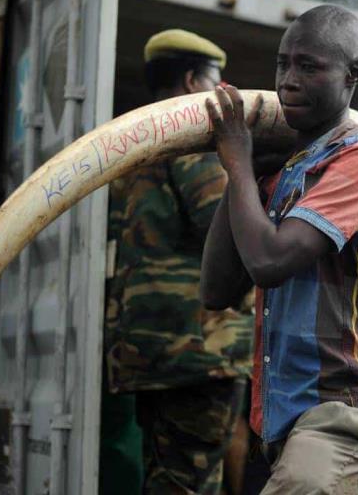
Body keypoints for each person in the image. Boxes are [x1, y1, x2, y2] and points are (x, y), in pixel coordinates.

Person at [200, 4, 358, 494]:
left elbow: (270, 262)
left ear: (353, 74)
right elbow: (216, 289)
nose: (288, 81)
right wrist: (243, 175)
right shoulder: (281, 169)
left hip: (342, 408)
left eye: (309, 67)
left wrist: (239, 164)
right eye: (282, 64)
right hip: (278, 414)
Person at [101, 29, 253, 495]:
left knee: (165, 479)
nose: (221, 92)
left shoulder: (135, 146)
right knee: (190, 484)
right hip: (199, 353)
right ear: (191, 81)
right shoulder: (193, 141)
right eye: (215, 81)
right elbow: (227, 226)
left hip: (150, 353)